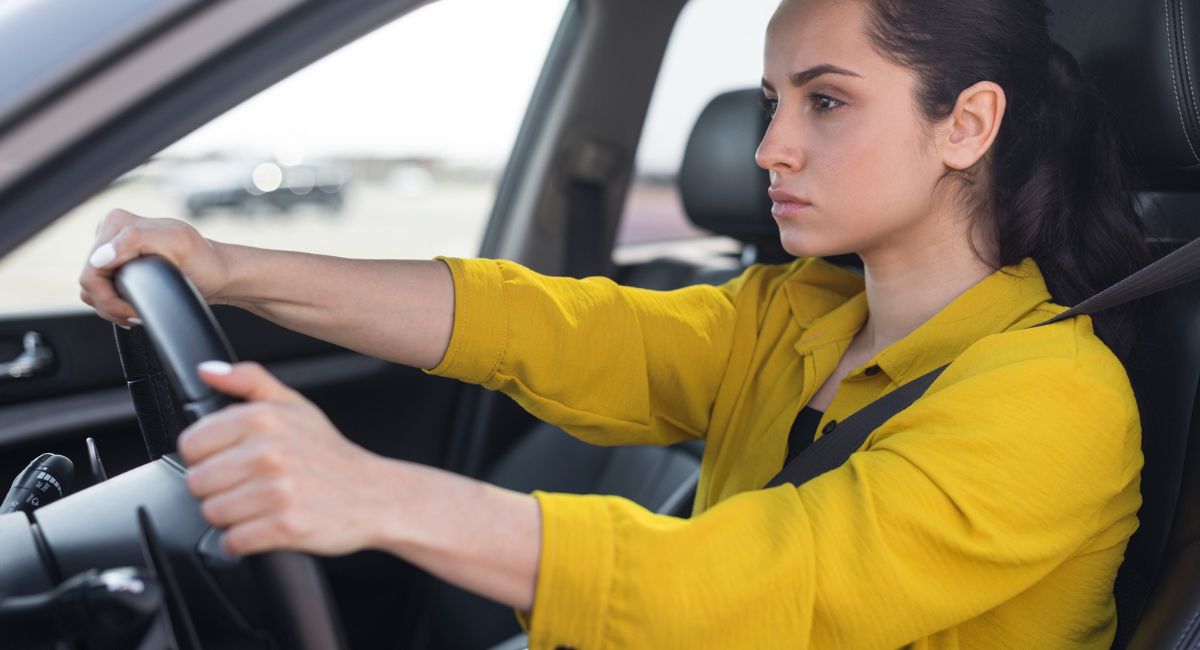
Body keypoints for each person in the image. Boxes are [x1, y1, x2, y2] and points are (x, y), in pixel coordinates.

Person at [78, 0, 1150, 647]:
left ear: (966, 124)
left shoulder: (1053, 397)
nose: (770, 144)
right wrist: (228, 266)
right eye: (771, 99)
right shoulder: (798, 313)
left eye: (824, 101)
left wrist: (373, 493)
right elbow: (542, 327)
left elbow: (764, 590)